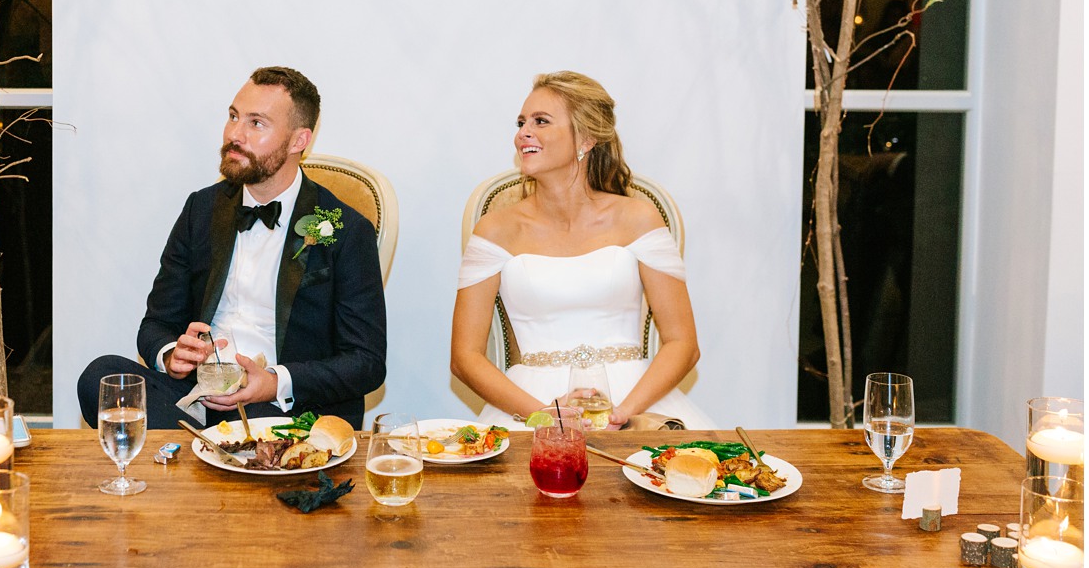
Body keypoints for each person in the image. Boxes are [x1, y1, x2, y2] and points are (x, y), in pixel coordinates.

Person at [78, 66, 387, 430]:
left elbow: (365, 362)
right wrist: (170, 354)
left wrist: (273, 382)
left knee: (259, 424)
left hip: (282, 407)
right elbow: (156, 324)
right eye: (233, 116)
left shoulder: (345, 229)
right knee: (100, 377)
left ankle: (206, 454)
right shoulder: (201, 210)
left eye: (257, 124)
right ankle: (215, 449)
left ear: (298, 141)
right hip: (195, 398)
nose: (234, 134)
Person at [451, 71, 712, 429]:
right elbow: (465, 357)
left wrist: (622, 413)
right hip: (533, 406)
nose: (522, 133)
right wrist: (546, 415)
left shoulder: (639, 218)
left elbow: (683, 343)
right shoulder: (495, 230)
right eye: (521, 122)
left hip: (634, 400)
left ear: (586, 138)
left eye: (541, 121)